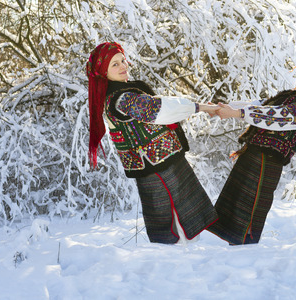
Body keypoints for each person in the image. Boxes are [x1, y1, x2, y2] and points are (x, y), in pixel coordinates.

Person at [86, 42, 218, 244]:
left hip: (163, 161)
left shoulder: (120, 93)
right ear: (103, 72)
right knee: (174, 227)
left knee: (176, 224)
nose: (123, 66)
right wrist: (201, 107)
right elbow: (158, 109)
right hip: (156, 167)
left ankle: (182, 260)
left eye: (123, 60)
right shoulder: (121, 98)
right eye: (114, 64)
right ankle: (180, 264)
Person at [208, 55, 296, 245]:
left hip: (267, 163)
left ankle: (245, 257)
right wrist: (223, 107)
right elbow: (259, 106)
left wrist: (234, 113)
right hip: (252, 155)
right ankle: (234, 258)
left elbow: (275, 117)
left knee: (248, 216)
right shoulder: (287, 97)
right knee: (234, 214)